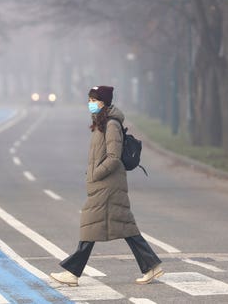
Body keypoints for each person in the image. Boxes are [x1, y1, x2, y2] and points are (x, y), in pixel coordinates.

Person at [50, 85, 163, 287]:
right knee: (124, 227)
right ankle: (152, 266)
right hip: (105, 185)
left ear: (103, 102)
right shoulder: (102, 123)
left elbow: (113, 158)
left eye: (94, 100)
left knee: (90, 225)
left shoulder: (111, 125)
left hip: (108, 186)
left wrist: (95, 174)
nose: (90, 104)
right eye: (90, 100)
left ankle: (72, 272)